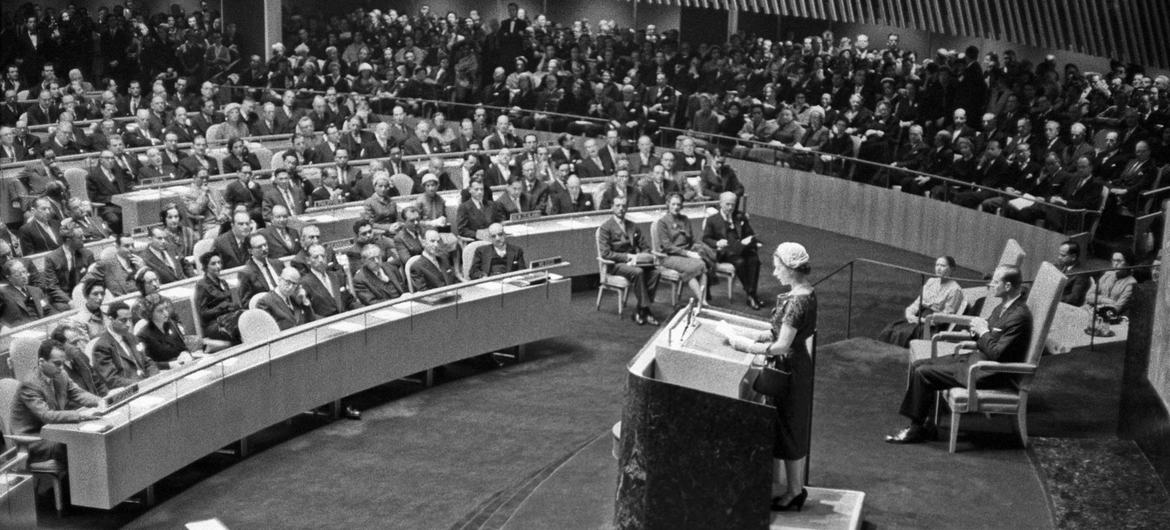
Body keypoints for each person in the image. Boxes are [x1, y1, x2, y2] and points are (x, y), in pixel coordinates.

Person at [720, 242, 817, 512]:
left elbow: (782, 345)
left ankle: (795, 492)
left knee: (789, 427)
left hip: (790, 369)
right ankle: (794, 490)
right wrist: (751, 334)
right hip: (794, 366)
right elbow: (779, 333)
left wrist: (745, 345)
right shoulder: (803, 292)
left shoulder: (798, 301)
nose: (775, 272)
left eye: (778, 267)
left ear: (791, 268)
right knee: (789, 427)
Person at [886, 266, 1032, 445]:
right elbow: (987, 339)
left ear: (1008, 286)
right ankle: (927, 423)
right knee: (919, 364)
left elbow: (997, 353)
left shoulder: (1019, 316)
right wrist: (976, 331)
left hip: (988, 372)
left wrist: (983, 331)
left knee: (923, 372)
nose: (990, 284)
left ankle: (916, 429)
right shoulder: (1003, 306)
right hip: (976, 360)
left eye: (995, 281)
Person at [10, 339, 103, 465]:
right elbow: (47, 415)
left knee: (89, 436)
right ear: (42, 362)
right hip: (34, 439)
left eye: (63, 363)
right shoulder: (29, 385)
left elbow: (78, 393)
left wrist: (102, 402)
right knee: (74, 443)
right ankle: (75, 484)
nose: (61, 368)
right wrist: (80, 416)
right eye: (57, 364)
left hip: (54, 430)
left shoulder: (61, 375)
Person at [597, 197, 660, 325]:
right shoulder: (605, 227)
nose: (621, 208)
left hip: (635, 262)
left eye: (623, 206)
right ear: (612, 207)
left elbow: (645, 247)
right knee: (638, 272)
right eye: (618, 205)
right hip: (615, 265)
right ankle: (645, 310)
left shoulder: (633, 226)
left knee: (656, 273)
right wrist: (627, 257)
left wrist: (642, 257)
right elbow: (606, 253)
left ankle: (640, 309)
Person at [877, 256, 966, 347]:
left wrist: (924, 321)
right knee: (891, 329)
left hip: (932, 325)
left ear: (952, 269)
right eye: (937, 265)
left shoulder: (955, 289)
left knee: (904, 333)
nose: (938, 268)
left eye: (943, 266)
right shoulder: (931, 282)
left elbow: (946, 316)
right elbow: (918, 302)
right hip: (918, 316)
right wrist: (910, 314)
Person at [703, 191, 763, 309]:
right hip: (726, 251)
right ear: (720, 203)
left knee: (754, 261)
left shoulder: (740, 216)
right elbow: (706, 238)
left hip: (742, 248)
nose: (731, 208)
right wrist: (716, 243)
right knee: (740, 262)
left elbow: (749, 233)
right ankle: (751, 294)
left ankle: (751, 294)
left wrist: (748, 239)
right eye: (727, 204)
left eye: (733, 205)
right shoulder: (712, 220)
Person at [653, 192, 714, 302]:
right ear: (668, 204)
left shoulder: (685, 219)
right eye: (673, 204)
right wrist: (688, 254)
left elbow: (691, 239)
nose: (676, 207)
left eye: (678, 204)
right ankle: (703, 302)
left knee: (702, 265)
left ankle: (703, 300)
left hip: (686, 253)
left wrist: (698, 247)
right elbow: (667, 247)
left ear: (682, 206)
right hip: (669, 257)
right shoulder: (662, 222)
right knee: (699, 265)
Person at [92, 300, 159, 389]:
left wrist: (154, 378)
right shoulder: (101, 347)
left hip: (147, 384)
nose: (128, 324)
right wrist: (141, 384)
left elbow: (148, 362)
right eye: (123, 320)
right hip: (129, 391)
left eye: (130, 319)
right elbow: (112, 380)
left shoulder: (132, 337)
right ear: (111, 319)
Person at [136, 295, 201, 369]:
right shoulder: (143, 335)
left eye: (166, 308)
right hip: (164, 371)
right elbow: (148, 364)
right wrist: (169, 365)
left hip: (183, 364)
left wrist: (185, 353)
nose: (166, 313)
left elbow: (183, 346)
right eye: (160, 311)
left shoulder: (171, 324)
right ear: (150, 314)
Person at [195, 251, 244, 344]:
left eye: (219, 263)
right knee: (240, 325)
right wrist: (221, 307)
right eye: (213, 264)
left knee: (245, 317)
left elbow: (230, 304)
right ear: (206, 267)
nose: (218, 266)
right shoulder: (202, 285)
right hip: (213, 324)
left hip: (229, 318)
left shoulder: (223, 282)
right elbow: (203, 313)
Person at [51, 322, 108, 397]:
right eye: (73, 343)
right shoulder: (55, 371)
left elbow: (98, 383)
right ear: (59, 345)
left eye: (78, 341)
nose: (78, 346)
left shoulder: (80, 356)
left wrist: (108, 397)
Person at [301, 243, 357, 316]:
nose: (321, 260)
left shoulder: (336, 276)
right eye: (316, 257)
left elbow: (350, 301)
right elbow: (310, 314)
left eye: (323, 256)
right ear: (308, 260)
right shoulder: (304, 283)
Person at [0, 259, 57, 328]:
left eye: (24, 271)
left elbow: (48, 310)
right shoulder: (3, 293)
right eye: (18, 274)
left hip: (42, 329)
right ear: (9, 278)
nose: (24, 276)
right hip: (19, 333)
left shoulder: (36, 291)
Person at [239, 233, 285, 307]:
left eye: (265, 245)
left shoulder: (278, 264)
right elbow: (246, 303)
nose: (264, 249)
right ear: (250, 251)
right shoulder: (246, 273)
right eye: (259, 247)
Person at [1085, 251, 1138, 316]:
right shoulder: (1107, 275)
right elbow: (1088, 296)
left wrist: (1097, 302)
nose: (1115, 264)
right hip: (1091, 310)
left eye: (1119, 261)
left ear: (1128, 263)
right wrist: (1106, 300)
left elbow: (1117, 307)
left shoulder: (1131, 283)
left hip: (1110, 317)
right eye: (1113, 260)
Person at [1056, 240, 1090, 305]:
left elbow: (1074, 298)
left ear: (1073, 257)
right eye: (1059, 254)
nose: (1059, 257)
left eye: (1063, 255)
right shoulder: (1060, 266)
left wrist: (1054, 298)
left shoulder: (1081, 274)